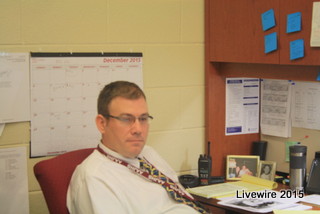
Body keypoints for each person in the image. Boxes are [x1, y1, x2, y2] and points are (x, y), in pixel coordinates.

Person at [67, 81, 209, 214]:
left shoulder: (148, 153)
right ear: (102, 124)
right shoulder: (95, 178)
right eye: (126, 119)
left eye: (143, 119)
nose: (138, 129)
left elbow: (180, 196)